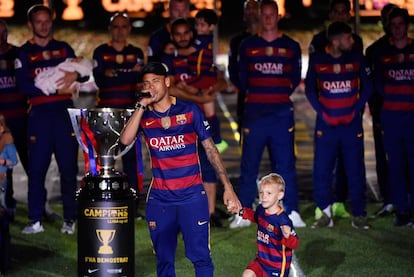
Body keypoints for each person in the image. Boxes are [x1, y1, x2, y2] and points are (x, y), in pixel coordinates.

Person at [119, 61, 241, 276]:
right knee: (164, 261)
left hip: (192, 197)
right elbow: (125, 140)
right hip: (160, 200)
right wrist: (140, 105)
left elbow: (211, 150)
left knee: (200, 257)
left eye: (156, 81)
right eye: (147, 83)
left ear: (167, 82)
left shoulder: (190, 110)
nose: (151, 87)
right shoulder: (144, 116)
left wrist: (228, 187)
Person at [230, 0, 306, 229]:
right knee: (248, 165)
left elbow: (294, 79)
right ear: (259, 17)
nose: (268, 19)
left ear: (278, 16)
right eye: (264, 15)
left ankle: (291, 211)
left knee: (285, 165)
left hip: (281, 114)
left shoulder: (291, 46)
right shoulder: (248, 45)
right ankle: (243, 213)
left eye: (272, 15)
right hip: (254, 113)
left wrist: (277, 95)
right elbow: (242, 78)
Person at [15, 4, 87, 235]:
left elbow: (85, 72)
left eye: (47, 21)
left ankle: (70, 218)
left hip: (64, 116)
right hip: (39, 118)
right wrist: (57, 91)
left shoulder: (63, 48)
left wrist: (76, 75)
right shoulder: (23, 52)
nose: (44, 25)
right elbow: (24, 85)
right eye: (39, 21)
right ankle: (35, 220)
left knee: (68, 169)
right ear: (31, 24)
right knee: (37, 170)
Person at [305, 21, 372, 229]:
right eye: (348, 37)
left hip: (351, 126)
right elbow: (309, 90)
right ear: (336, 41)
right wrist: (323, 114)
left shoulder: (356, 58)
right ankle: (325, 213)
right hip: (327, 126)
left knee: (355, 169)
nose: (352, 41)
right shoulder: (317, 60)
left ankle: (359, 214)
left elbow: (368, 87)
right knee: (322, 170)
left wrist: (355, 111)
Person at [161, 18, 228, 227]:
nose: (182, 37)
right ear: (172, 36)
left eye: (185, 33)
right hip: (179, 123)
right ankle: (182, 214)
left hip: (204, 121)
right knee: (181, 169)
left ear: (192, 34)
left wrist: (200, 90)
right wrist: (200, 97)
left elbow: (220, 81)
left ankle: (208, 214)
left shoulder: (202, 55)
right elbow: (170, 89)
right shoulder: (168, 58)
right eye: (177, 34)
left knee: (208, 166)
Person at [92, 12, 145, 219]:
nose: (120, 30)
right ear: (110, 29)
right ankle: (102, 199)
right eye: (116, 26)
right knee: (105, 160)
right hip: (107, 117)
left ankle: (133, 204)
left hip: (130, 116)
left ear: (129, 29)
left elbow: (139, 80)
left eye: (124, 26)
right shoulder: (100, 51)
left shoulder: (137, 52)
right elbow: (101, 80)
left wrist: (115, 73)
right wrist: (129, 73)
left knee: (132, 160)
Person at [372, 7, 414, 227]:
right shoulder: (383, 54)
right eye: (394, 25)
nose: (398, 29)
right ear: (390, 27)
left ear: (407, 26)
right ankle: (402, 211)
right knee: (395, 166)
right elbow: (378, 83)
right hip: (392, 118)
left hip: (412, 118)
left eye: (401, 24)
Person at [364, 3, 397, 218]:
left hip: (405, 114)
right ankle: (388, 200)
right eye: (386, 18)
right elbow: (371, 84)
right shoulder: (374, 51)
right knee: (383, 158)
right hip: (382, 114)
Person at [239, 173, 299, 277]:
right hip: (261, 260)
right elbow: (255, 217)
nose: (263, 197)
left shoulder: (283, 220)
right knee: (247, 275)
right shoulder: (261, 209)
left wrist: (287, 236)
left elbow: (295, 243)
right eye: (261, 192)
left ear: (279, 195)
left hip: (276, 266)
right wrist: (240, 211)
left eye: (269, 193)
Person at [0, 19, 29, 221]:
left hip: (22, 118)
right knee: (4, 167)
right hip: (2, 125)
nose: (0, 37)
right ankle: (7, 206)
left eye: (3, 32)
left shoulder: (18, 53)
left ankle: (40, 206)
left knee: (32, 164)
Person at [228, 0, 260, 139]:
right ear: (243, 14)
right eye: (248, 9)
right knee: (246, 140)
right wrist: (243, 88)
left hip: (270, 100)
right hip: (246, 98)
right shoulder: (237, 41)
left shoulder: (271, 40)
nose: (251, 12)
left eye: (255, 8)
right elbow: (232, 68)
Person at [0, 114, 18, 275]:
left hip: (1, 181)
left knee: (2, 213)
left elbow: (13, 161)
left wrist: (3, 162)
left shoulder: (7, 141)